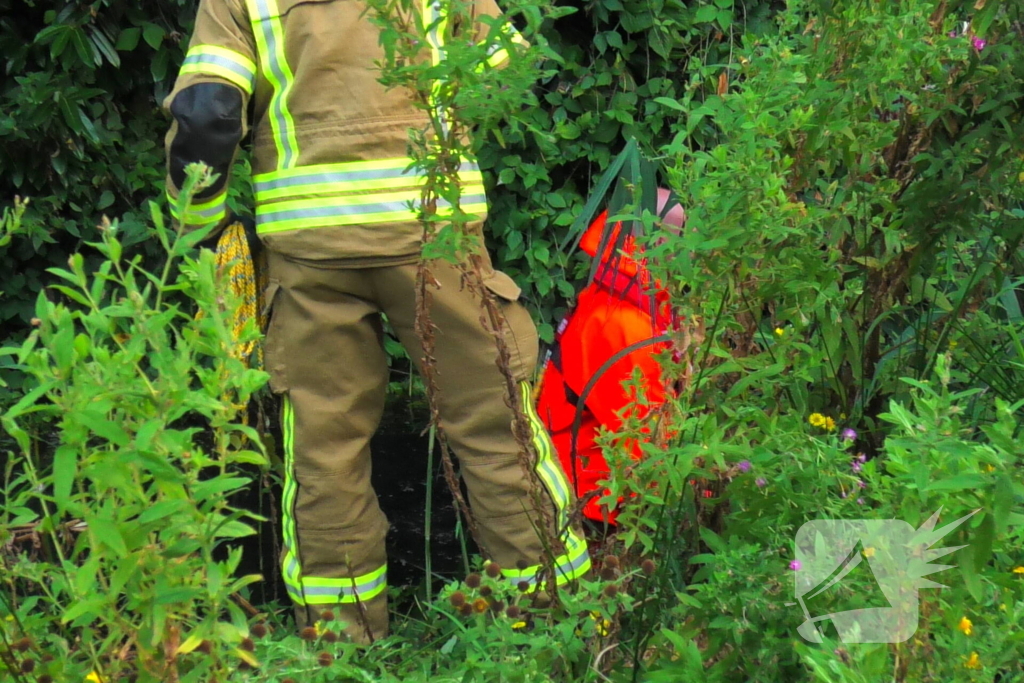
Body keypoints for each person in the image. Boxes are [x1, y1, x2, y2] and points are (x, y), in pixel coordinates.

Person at [163, 0, 590, 643]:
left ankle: (343, 645)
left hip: (308, 250)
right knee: (496, 429)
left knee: (325, 454)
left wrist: (199, 227)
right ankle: (553, 630)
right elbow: (503, 77)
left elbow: (206, 114)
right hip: (434, 234)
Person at [536, 189, 684, 524]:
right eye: (685, 238)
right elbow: (650, 450)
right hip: (597, 504)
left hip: (591, 481)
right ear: (661, 244)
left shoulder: (617, 293)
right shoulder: (624, 326)